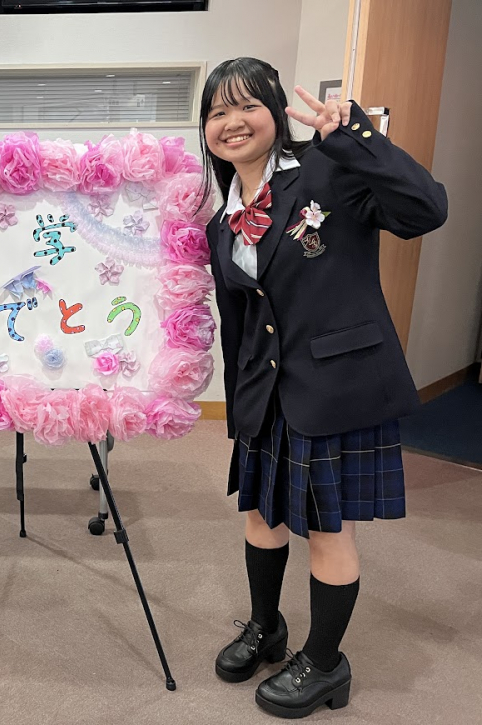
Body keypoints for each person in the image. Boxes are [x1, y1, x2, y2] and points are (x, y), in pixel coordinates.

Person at [199, 57, 447, 718]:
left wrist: (355, 136)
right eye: (217, 112)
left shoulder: (327, 170)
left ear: (276, 112)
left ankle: (326, 662)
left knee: (328, 530)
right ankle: (267, 627)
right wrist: (240, 405)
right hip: (266, 394)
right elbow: (239, 322)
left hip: (338, 386)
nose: (232, 122)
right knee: (261, 514)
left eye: (247, 105)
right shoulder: (222, 223)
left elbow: (427, 209)